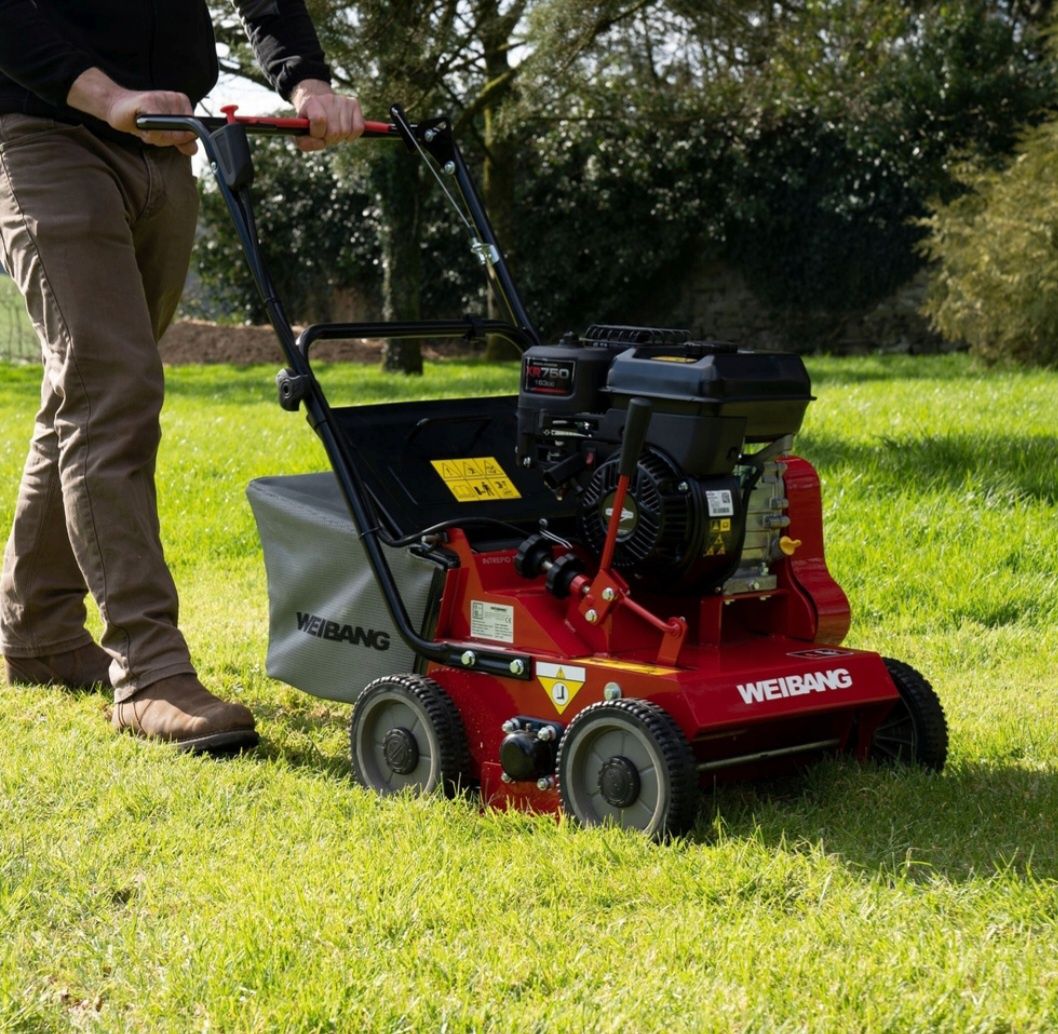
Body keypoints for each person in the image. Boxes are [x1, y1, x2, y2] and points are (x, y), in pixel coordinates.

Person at [0, 1, 363, 751]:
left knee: (86, 391)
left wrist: (307, 81)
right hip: (46, 134)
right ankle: (149, 669)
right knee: (111, 390)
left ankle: (36, 631)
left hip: (168, 145)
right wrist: (105, 94)